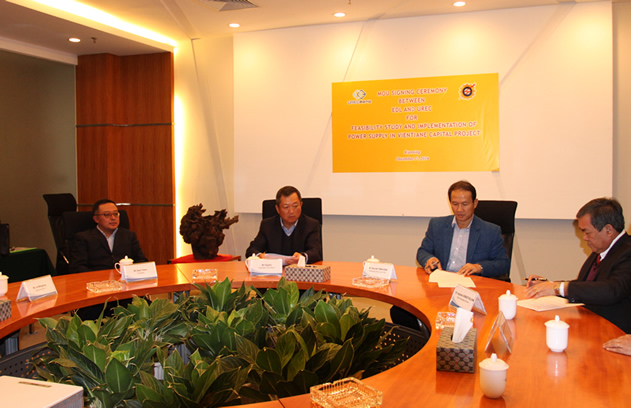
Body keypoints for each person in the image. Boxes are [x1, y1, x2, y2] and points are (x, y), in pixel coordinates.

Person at [526, 198, 631, 334]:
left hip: (613, 332)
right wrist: (549, 285)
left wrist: (558, 288)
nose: (584, 238)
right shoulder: (601, 249)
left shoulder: (627, 252)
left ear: (608, 230)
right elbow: (586, 285)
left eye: (587, 232)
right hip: (590, 324)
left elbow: (611, 291)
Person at [416, 180, 510, 277]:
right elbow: (423, 251)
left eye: (465, 204)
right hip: (441, 280)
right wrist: (429, 259)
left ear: (475, 203)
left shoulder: (490, 231)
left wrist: (479, 267)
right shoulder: (437, 225)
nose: (459, 209)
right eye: (455, 204)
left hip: (471, 282)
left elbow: (503, 263)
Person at [246, 186, 322, 265]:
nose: (291, 211)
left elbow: (316, 251)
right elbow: (252, 249)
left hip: (300, 271)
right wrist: (259, 256)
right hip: (274, 271)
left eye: (295, 206)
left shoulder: (311, 225)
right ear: (277, 209)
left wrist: (302, 257)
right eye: (286, 207)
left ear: (301, 205)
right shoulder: (267, 225)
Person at [69, 199, 148, 273]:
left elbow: (141, 260)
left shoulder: (129, 236)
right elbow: (77, 267)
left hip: (124, 278)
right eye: (107, 215)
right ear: (96, 219)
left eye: (115, 214)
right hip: (97, 280)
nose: (113, 218)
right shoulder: (84, 238)